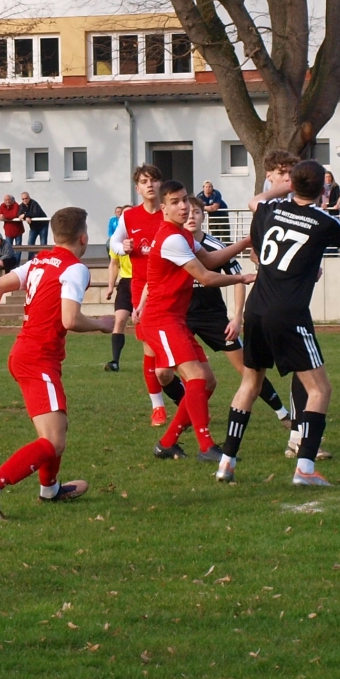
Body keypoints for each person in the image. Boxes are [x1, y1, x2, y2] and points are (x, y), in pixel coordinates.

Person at [216, 157, 340, 488]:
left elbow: (256, 201)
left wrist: (284, 187)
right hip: (288, 313)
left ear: (293, 184)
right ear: (323, 189)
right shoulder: (323, 220)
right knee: (320, 389)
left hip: (256, 308)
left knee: (250, 383)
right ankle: (305, 468)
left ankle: (226, 462)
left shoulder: (271, 210)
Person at [0, 206, 114, 519]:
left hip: (28, 354)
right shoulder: (75, 268)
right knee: (53, 441)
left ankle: (50, 489)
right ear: (84, 238)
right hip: (37, 358)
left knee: (58, 427)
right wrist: (102, 324)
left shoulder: (39, 261)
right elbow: (70, 319)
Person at [137, 182, 256, 462]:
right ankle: (206, 446)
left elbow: (211, 260)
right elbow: (206, 277)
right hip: (160, 319)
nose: (184, 207)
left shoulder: (182, 235)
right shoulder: (172, 238)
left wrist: (244, 242)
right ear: (163, 208)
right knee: (197, 378)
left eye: (185, 201)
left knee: (208, 382)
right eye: (175, 202)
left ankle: (167, 443)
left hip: (174, 319)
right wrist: (241, 277)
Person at [183, 199, 293, 437]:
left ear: (204, 216)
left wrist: (236, 318)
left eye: (197, 212)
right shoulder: (174, 243)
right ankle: (182, 413)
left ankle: (283, 413)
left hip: (213, 318)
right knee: (165, 372)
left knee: (247, 369)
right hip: (180, 317)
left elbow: (239, 279)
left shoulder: (215, 246)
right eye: (188, 212)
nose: (191, 216)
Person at [107, 166, 168, 422]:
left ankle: (187, 394)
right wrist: (123, 246)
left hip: (171, 287)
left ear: (161, 184)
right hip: (141, 288)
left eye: (154, 180)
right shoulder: (129, 216)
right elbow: (114, 242)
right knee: (150, 348)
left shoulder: (169, 212)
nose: (150, 184)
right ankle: (158, 406)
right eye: (144, 181)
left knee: (175, 351)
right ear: (138, 188)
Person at [104, 204, 134, 371]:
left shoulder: (142, 236)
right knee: (120, 319)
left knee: (144, 322)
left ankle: (158, 361)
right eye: (124, 215)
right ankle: (115, 361)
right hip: (125, 283)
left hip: (144, 283)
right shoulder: (116, 240)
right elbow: (114, 264)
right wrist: (110, 286)